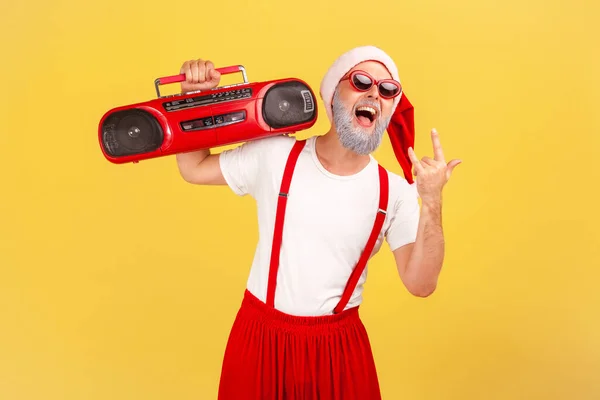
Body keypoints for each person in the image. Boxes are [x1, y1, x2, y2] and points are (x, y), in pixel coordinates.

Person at [175, 46, 461, 400]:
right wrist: (195, 101)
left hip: (338, 350)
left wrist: (432, 201)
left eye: (388, 90)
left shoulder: (395, 193)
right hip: (260, 336)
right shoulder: (275, 154)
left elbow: (421, 284)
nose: (375, 93)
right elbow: (194, 168)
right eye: (361, 81)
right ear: (331, 95)